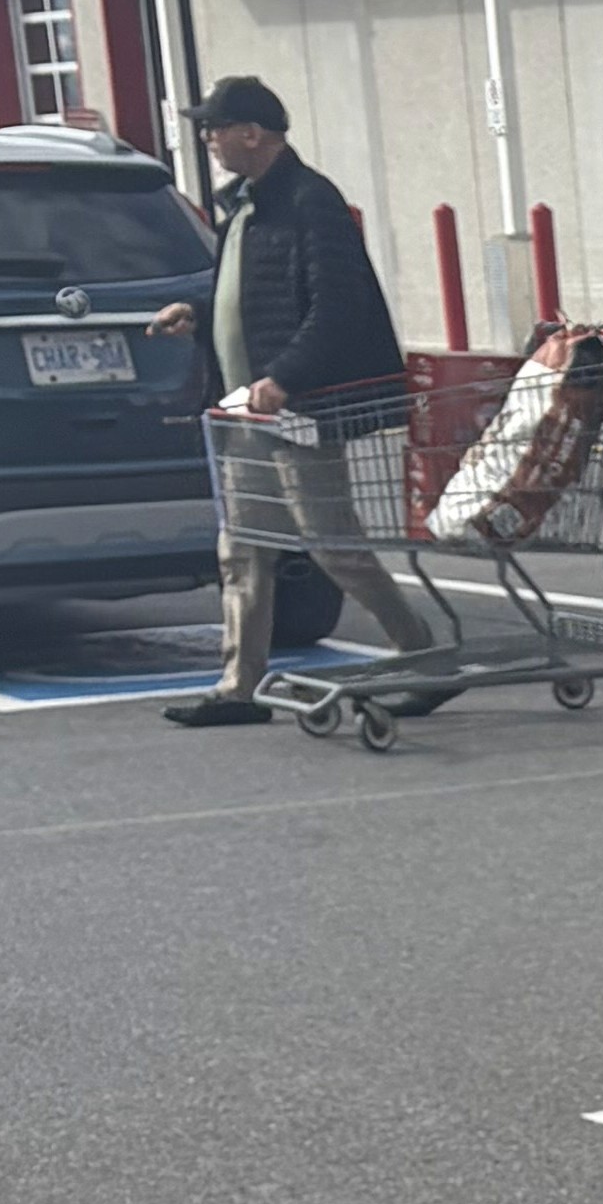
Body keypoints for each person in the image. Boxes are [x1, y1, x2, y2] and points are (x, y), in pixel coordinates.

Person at [148, 76, 435, 727]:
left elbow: (338, 308)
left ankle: (420, 652)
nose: (206, 138)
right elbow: (256, 298)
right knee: (242, 547)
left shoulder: (310, 201)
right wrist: (195, 312)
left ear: (253, 134)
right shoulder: (246, 207)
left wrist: (284, 377)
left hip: (296, 410)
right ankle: (238, 689)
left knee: (332, 544)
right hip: (244, 410)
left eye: (215, 127)